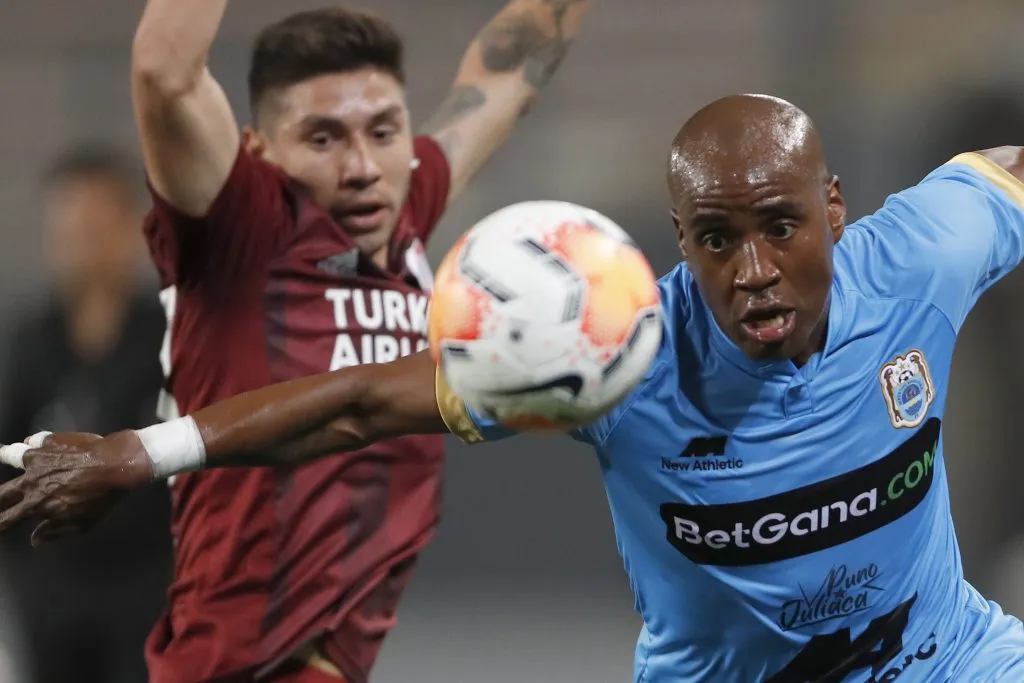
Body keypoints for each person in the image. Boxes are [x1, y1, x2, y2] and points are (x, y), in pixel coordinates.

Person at [5, 94, 1024, 682]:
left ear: (833, 208)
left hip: (952, 658)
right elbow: (358, 399)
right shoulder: (613, 350)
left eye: (779, 225)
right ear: (680, 241)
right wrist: (139, 451)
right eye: (716, 238)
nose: (751, 268)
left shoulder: (923, 256)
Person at [48, 2, 591, 682]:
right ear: (258, 150)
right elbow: (164, 69)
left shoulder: (409, 207)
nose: (363, 165)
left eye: (384, 130)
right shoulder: (243, 228)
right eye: (323, 139)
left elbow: (519, 61)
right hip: (240, 666)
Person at [0, 148, 171, 682]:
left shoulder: (170, 340)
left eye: (96, 226)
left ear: (130, 230)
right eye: (68, 230)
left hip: (148, 587)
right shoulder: (27, 344)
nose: (82, 245)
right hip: (50, 590)